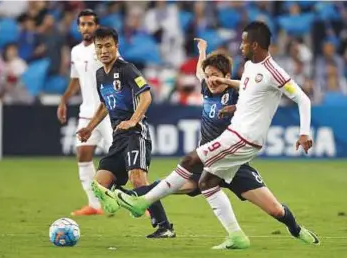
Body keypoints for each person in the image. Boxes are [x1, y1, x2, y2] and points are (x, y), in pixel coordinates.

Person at [101, 22, 320, 248]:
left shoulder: (269, 73)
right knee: (203, 182)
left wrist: (304, 132)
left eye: (244, 41)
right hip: (220, 153)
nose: (240, 45)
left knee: (269, 206)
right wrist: (205, 56)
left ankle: (295, 229)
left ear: (255, 44)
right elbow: (249, 90)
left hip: (239, 146)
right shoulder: (241, 72)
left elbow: (298, 98)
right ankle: (234, 236)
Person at [76, 27, 175, 238]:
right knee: (99, 184)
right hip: (118, 137)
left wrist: (133, 120)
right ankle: (127, 201)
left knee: (138, 179)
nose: (103, 51)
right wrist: (90, 127)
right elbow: (104, 105)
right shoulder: (100, 74)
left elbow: (146, 96)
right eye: (99, 46)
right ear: (95, 49)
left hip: (136, 133)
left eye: (108, 46)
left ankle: (165, 226)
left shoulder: (127, 69)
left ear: (116, 46)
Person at [57, 9, 112, 216]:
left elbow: (119, 74)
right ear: (78, 27)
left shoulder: (105, 48)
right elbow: (76, 80)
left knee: (125, 160)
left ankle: (146, 203)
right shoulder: (76, 51)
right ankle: (94, 205)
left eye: (90, 24)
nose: (86, 28)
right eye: (82, 24)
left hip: (107, 112)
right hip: (87, 111)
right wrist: (64, 100)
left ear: (96, 26)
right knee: (83, 155)